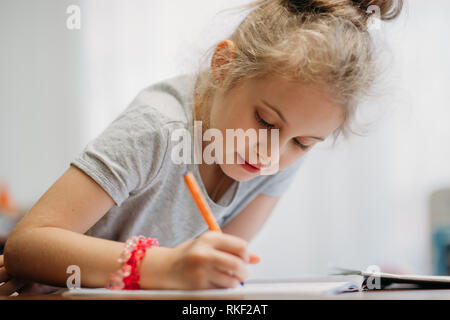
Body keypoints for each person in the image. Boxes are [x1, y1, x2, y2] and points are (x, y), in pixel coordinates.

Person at [0, 0, 403, 295]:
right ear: (224, 67)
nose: (270, 155)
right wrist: (169, 267)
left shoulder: (281, 157)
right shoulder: (157, 129)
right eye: (264, 122)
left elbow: (220, 268)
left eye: (302, 143)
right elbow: (27, 244)